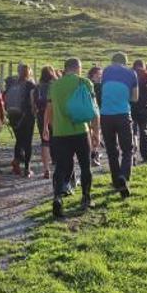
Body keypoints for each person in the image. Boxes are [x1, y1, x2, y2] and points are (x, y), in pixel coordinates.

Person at [45, 58, 100, 218]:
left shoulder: (54, 86)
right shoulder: (85, 82)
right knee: (85, 166)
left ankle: (57, 198)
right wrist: (96, 132)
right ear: (78, 68)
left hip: (60, 133)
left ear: (65, 68)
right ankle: (86, 198)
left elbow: (49, 109)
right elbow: (94, 109)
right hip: (81, 131)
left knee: (60, 167)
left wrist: (48, 127)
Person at [100, 53, 137, 194]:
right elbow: (135, 98)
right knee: (127, 149)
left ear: (112, 61)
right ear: (125, 62)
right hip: (122, 114)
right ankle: (124, 176)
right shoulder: (131, 73)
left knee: (111, 151)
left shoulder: (106, 71)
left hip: (105, 115)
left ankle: (116, 182)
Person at [6, 64, 37, 177]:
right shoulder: (30, 84)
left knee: (19, 140)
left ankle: (16, 162)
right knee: (28, 142)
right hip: (27, 116)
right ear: (29, 72)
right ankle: (27, 168)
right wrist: (34, 111)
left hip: (13, 115)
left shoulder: (12, 84)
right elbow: (33, 101)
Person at [34, 66, 57, 180]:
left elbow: (34, 102)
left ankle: (46, 169)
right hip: (54, 115)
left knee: (45, 142)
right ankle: (57, 164)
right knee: (57, 139)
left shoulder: (37, 87)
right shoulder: (55, 86)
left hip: (41, 116)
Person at [130, 60, 147, 164]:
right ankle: (145, 155)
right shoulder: (145, 75)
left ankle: (133, 155)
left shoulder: (129, 75)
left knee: (132, 131)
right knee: (143, 131)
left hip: (131, 106)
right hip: (143, 106)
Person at [87, 66, 103, 167]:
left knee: (93, 134)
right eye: (99, 74)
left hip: (92, 112)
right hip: (94, 112)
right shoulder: (95, 86)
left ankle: (94, 154)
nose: (100, 76)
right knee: (95, 134)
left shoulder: (88, 84)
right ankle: (94, 155)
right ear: (93, 75)